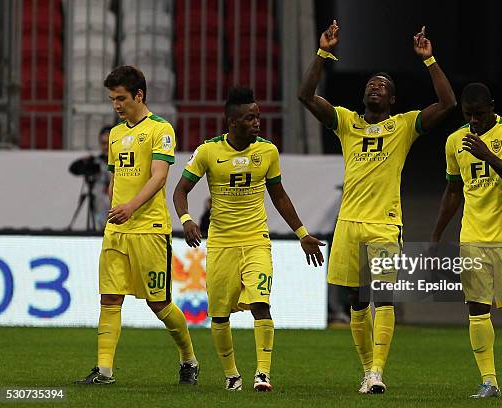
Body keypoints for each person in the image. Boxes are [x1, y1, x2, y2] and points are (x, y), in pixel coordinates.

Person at [298, 21, 456, 394]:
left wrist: (429, 60)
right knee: (356, 300)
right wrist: (323, 52)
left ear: (392, 101)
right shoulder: (347, 123)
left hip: (385, 224)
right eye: (371, 83)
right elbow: (305, 95)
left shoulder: (403, 126)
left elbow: (448, 103)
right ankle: (367, 369)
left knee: (383, 295)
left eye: (383, 86)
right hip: (349, 223)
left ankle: (378, 371)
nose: (375, 86)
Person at [173, 87, 325, 392]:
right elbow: (180, 191)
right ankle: (232, 375)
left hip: (257, 239)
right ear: (232, 122)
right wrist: (187, 220)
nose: (257, 122)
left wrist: (302, 233)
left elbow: (279, 195)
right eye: (250, 118)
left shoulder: (267, 151)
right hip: (221, 244)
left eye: (258, 116)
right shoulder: (208, 152)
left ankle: (263, 374)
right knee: (218, 315)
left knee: (261, 303)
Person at [75, 65, 199, 385]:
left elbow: (159, 177)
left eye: (121, 98)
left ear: (139, 95)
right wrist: (115, 205)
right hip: (118, 228)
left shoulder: (161, 129)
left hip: (149, 228)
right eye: (112, 99)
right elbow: (117, 175)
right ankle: (104, 371)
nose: (116, 105)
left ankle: (188, 359)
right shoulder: (115, 134)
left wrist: (131, 206)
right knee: (110, 297)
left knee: (158, 303)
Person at [430, 83, 502, 398]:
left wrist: (488, 155)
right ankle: (489, 381)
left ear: (492, 106)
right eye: (469, 115)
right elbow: (453, 191)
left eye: (480, 114)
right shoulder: (455, 142)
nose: (474, 121)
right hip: (473, 236)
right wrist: (436, 234)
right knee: (477, 309)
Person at [93, 126, 113, 230]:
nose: (105, 147)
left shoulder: (123, 163)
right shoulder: (96, 162)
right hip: (101, 215)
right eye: (103, 143)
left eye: (108, 143)